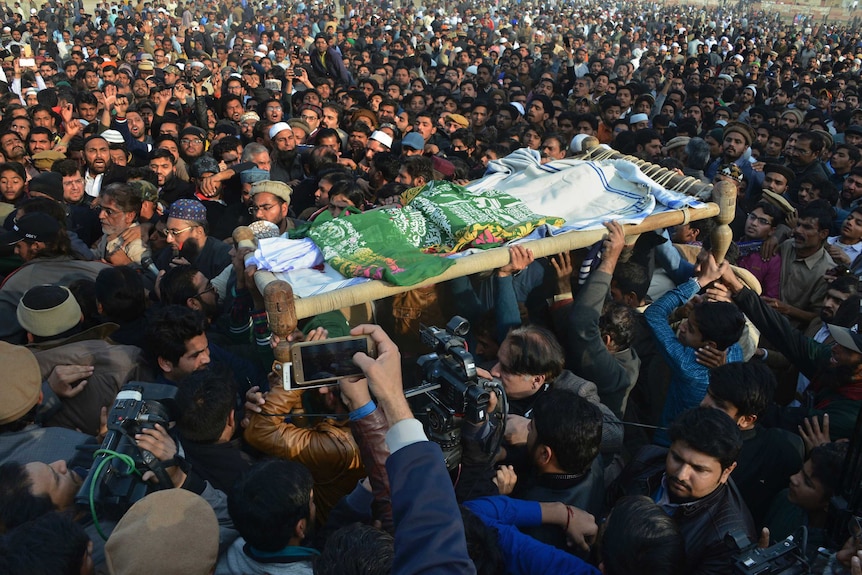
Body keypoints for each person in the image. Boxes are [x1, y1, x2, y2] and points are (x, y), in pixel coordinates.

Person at [613, 407, 755, 575]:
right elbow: (609, 503)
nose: (681, 475)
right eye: (677, 458)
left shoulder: (725, 541)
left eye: (699, 469)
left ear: (727, 472)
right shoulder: (645, 460)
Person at [645, 252, 746, 445]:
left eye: (690, 329)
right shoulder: (733, 350)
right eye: (687, 321)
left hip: (668, 440)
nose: (682, 327)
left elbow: (655, 314)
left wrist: (700, 281)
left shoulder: (688, 365)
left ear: (710, 345)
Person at [700, 362, 804, 526]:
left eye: (719, 404)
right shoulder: (695, 429)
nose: (705, 404)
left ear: (747, 419)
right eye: (708, 394)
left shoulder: (779, 453)